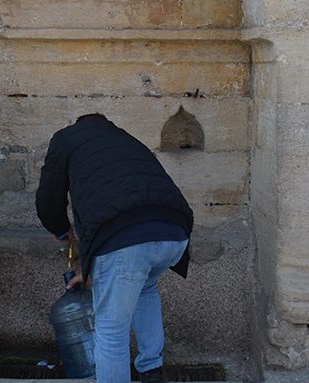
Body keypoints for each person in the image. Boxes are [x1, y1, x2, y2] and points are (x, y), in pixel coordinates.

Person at [36, 113, 194, 383]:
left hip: (126, 239)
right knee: (145, 286)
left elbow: (49, 199)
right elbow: (118, 206)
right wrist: (89, 267)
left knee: (110, 332)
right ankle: (151, 371)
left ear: (77, 125)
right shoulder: (126, 140)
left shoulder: (66, 139)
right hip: (174, 231)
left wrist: (61, 230)